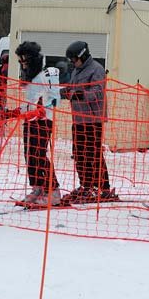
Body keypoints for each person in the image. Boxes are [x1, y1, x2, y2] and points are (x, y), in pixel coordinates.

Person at [60, 41, 118, 204]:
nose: (72, 63)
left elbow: (97, 92)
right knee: (79, 155)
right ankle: (86, 185)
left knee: (93, 154)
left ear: (83, 56)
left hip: (93, 120)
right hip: (78, 119)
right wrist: (60, 93)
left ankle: (102, 188)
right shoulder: (76, 71)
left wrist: (80, 95)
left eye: (74, 59)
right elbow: (71, 88)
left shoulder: (96, 70)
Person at [13, 42, 63, 206]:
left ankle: (53, 190)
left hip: (43, 121)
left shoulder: (45, 76)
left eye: (25, 61)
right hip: (30, 121)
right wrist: (16, 111)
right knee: (29, 155)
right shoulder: (29, 79)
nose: (23, 65)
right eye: (20, 62)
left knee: (39, 154)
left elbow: (55, 100)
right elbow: (29, 102)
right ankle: (38, 186)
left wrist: (42, 110)